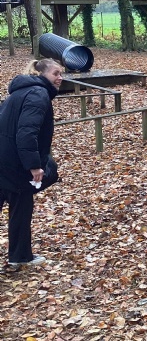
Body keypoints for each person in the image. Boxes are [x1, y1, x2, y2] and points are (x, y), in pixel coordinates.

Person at [0, 58, 64, 266]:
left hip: (6, 159)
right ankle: (20, 256)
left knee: (22, 204)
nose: (60, 78)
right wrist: (34, 165)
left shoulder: (19, 92)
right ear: (42, 74)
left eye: (61, 73)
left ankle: (21, 256)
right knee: (24, 200)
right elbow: (27, 132)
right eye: (55, 73)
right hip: (14, 163)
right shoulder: (38, 94)